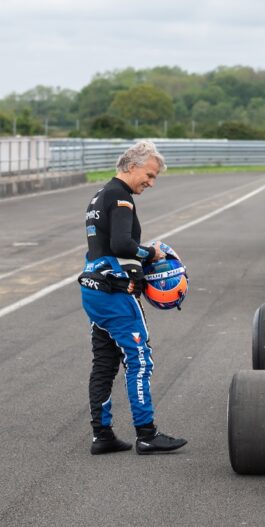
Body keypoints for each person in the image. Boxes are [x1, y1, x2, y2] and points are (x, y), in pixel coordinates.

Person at [78, 140, 187, 455]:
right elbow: (122, 245)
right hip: (115, 294)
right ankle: (147, 434)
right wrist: (151, 253)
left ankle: (102, 435)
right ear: (131, 166)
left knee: (104, 362)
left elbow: (104, 247)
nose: (151, 183)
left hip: (94, 289)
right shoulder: (121, 197)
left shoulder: (99, 195)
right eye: (149, 175)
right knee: (139, 360)